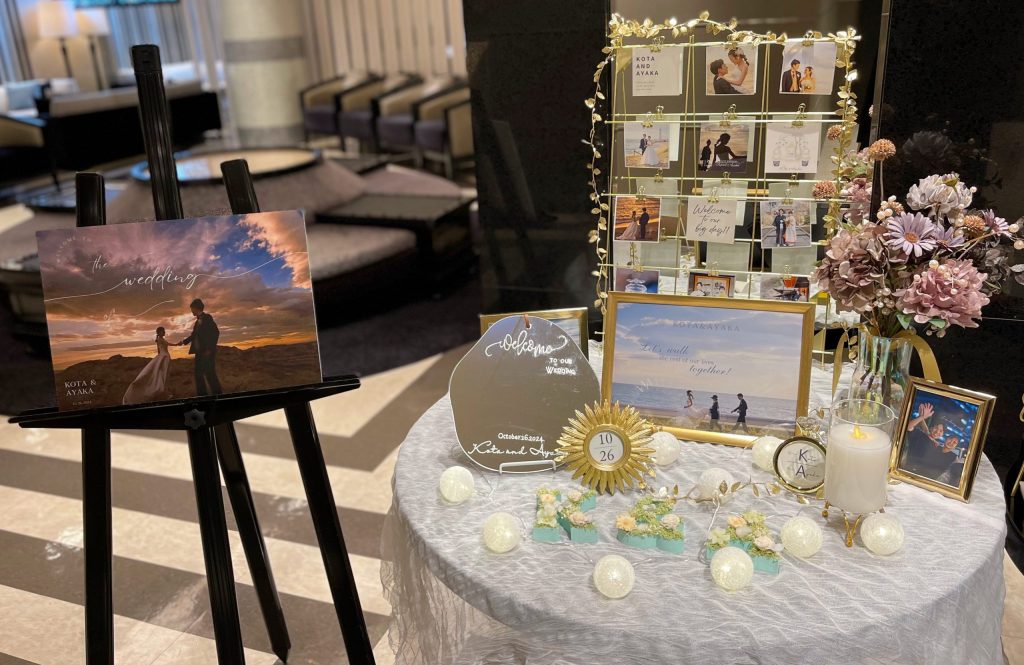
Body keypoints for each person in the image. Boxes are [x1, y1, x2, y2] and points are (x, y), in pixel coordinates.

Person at [176, 298, 222, 396]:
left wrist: (209, 349)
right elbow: (193, 335)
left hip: (207, 352)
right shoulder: (197, 322)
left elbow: (216, 333)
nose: (191, 311)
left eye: (192, 309)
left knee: (210, 374)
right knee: (198, 374)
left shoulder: (207, 318)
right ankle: (202, 396)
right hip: (199, 352)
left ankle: (218, 395)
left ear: (196, 308)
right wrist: (183, 342)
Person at [122, 326, 172, 404]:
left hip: (165, 357)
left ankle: (164, 392)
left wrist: (177, 344)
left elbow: (165, 346)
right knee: (162, 374)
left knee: (163, 374)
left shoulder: (162, 339)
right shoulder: (159, 340)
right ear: (159, 332)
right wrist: (159, 359)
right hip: (163, 358)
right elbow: (159, 350)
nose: (164, 332)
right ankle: (161, 391)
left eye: (164, 331)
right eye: (163, 331)